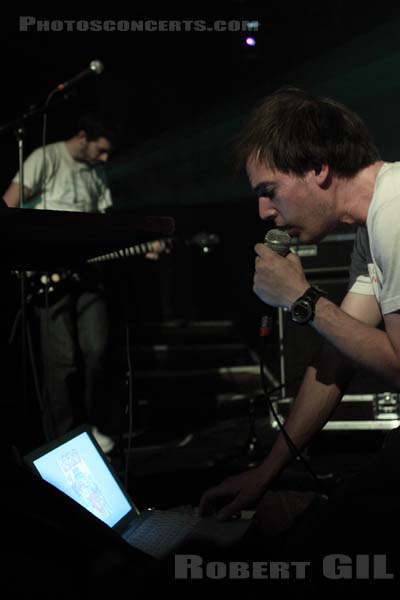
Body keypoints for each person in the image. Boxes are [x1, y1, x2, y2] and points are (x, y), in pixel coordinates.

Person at [199, 86, 400, 521]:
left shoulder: (395, 210)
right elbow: (335, 359)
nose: (263, 210)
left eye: (270, 190)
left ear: (317, 168)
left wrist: (301, 298)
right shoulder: (373, 226)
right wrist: (265, 472)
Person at [3, 115, 120, 453]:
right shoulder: (46, 158)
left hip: (87, 275)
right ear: (83, 136)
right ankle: (64, 442)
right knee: (62, 362)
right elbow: (8, 206)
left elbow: (107, 224)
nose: (105, 159)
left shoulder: (97, 173)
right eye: (101, 150)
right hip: (47, 279)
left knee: (98, 349)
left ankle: (96, 426)